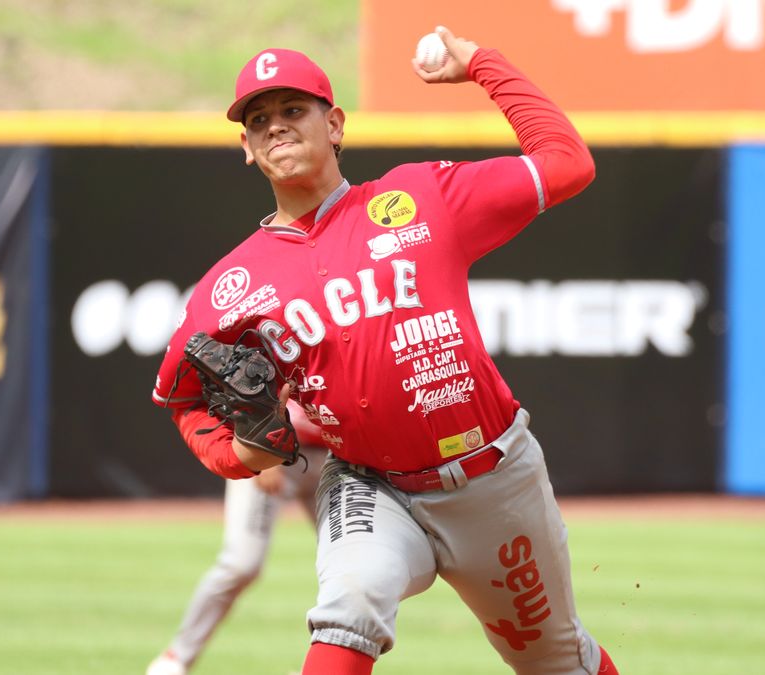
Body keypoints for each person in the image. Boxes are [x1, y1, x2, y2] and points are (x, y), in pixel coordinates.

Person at [152, 25, 619, 675]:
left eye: (293, 110)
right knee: (351, 602)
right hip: (370, 482)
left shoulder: (424, 197)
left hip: (493, 480)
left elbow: (569, 163)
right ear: (247, 148)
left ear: (335, 123)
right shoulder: (229, 286)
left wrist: (483, 65)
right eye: (259, 119)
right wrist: (237, 453)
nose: (276, 127)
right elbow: (179, 396)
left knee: (557, 660)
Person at [146, 404, 327, 675]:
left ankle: (321, 668)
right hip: (269, 447)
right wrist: (261, 449)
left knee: (349, 570)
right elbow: (249, 382)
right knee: (242, 563)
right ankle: (176, 657)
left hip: (336, 456)